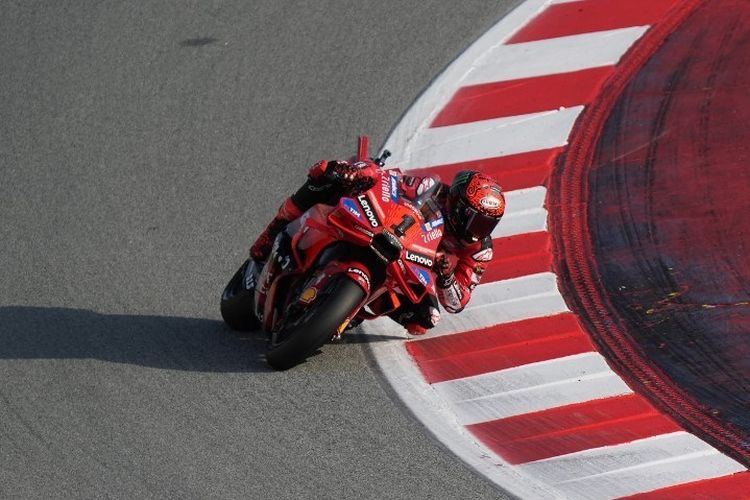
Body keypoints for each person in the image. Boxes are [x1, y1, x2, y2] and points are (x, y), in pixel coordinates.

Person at [249, 158, 505, 335]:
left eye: (487, 224)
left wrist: (447, 276)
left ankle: (350, 311)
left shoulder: (480, 249)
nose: (480, 230)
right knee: (326, 174)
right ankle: (271, 232)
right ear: (458, 206)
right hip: (386, 231)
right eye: (476, 220)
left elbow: (457, 303)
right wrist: (361, 174)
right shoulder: (434, 191)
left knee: (426, 320)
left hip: (411, 268)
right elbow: (392, 180)